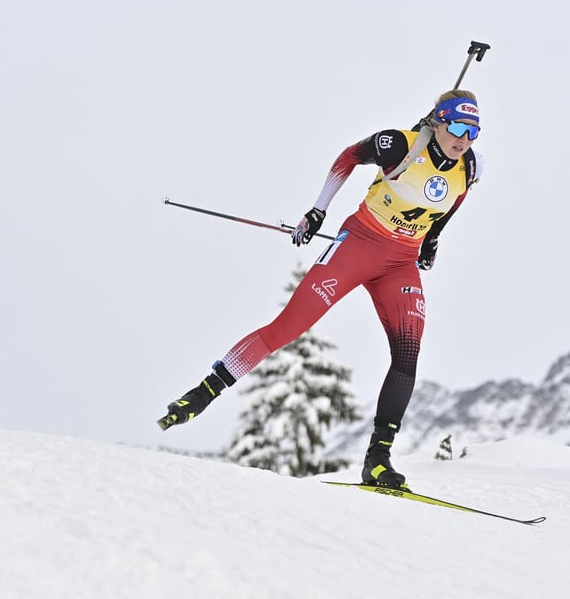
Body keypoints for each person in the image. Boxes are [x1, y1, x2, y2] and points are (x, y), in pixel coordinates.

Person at [158, 89, 484, 490]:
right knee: (288, 327)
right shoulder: (398, 144)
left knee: (408, 354)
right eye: (455, 126)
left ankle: (378, 460)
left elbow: (454, 200)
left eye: (472, 131)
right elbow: (347, 158)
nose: (463, 138)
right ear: (437, 121)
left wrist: (432, 239)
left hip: (401, 264)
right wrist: (317, 210)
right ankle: (204, 392)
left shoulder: (469, 165)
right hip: (359, 245)